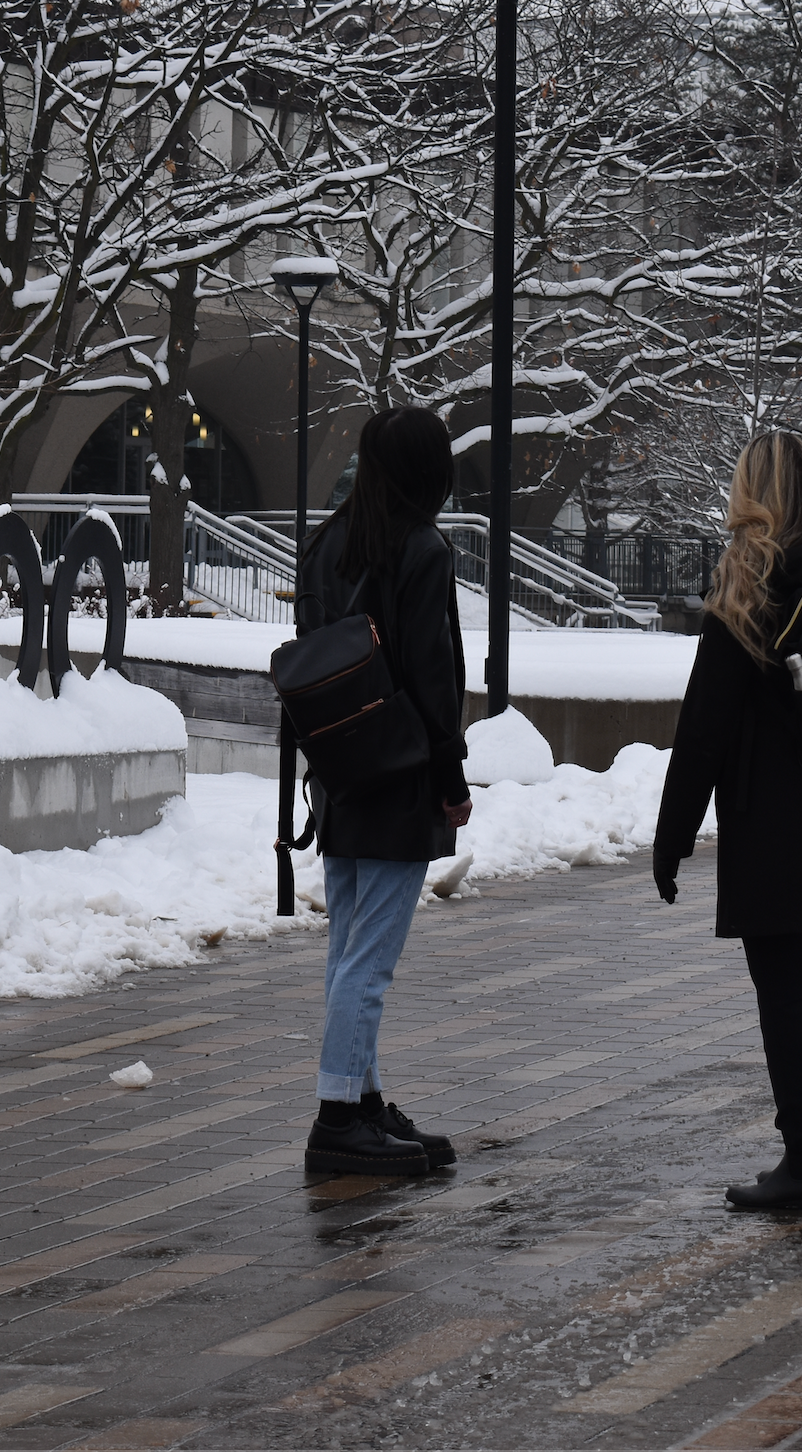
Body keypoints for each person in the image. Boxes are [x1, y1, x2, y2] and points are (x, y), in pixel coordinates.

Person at [652, 433, 802, 1213]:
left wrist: (673, 835)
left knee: (783, 987)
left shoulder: (752, 582)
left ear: (750, 492)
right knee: (801, 982)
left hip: (775, 822)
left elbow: (705, 728)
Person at [294, 406, 474, 1177]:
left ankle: (362, 1099)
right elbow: (432, 674)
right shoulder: (422, 548)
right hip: (399, 772)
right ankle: (339, 1114)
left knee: (347, 950)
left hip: (338, 771)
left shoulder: (327, 541)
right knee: (370, 958)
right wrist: (451, 774)